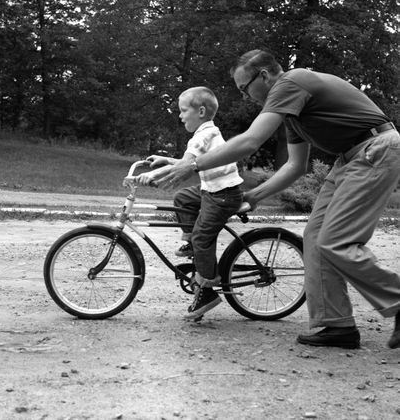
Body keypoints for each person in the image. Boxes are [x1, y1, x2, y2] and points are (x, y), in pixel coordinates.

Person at [154, 49, 400, 349]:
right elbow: (295, 166)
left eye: (245, 88)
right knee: (315, 237)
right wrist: (254, 195)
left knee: (336, 241)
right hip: (349, 158)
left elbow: (250, 140)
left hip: (377, 148)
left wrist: (192, 165)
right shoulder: (293, 114)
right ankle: (336, 325)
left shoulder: (292, 82)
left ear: (265, 76)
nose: (245, 97)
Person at [136, 86, 243, 320]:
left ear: (201, 111)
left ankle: (207, 291)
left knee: (202, 237)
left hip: (222, 196)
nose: (180, 115)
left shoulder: (203, 135)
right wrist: (166, 159)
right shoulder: (208, 133)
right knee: (184, 197)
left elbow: (184, 167)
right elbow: (190, 164)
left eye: (184, 110)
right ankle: (191, 244)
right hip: (214, 190)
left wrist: (151, 176)